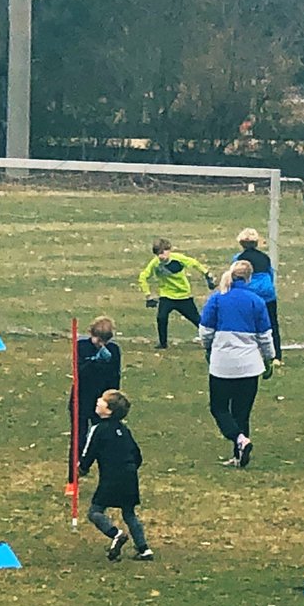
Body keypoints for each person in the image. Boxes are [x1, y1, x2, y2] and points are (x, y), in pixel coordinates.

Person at [198, 260, 274, 468]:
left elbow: (205, 331)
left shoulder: (217, 299)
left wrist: (208, 348)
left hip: (223, 365)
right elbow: (265, 336)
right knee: (242, 412)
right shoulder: (256, 301)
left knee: (219, 407)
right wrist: (269, 358)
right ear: (249, 278)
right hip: (250, 366)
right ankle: (240, 453)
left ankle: (239, 440)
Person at [79, 389, 152, 561]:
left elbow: (89, 453)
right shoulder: (124, 430)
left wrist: (81, 469)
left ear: (109, 410)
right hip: (129, 475)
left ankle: (116, 534)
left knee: (95, 511)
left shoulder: (98, 429)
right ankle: (144, 549)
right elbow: (136, 454)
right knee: (129, 513)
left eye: (102, 400)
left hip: (111, 478)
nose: (98, 400)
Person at [68, 315, 121, 484]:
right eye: (98, 338)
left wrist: (112, 402)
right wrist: (95, 361)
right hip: (81, 400)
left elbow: (114, 378)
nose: (101, 343)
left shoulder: (114, 351)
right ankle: (72, 479)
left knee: (104, 441)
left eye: (105, 340)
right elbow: (79, 372)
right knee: (78, 439)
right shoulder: (81, 346)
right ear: (91, 333)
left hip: (103, 404)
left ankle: (107, 478)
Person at [138, 238, 214, 349]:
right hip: (166, 296)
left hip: (183, 296)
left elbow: (195, 263)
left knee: (196, 320)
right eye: (158, 254)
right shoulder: (155, 264)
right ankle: (162, 343)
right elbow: (143, 277)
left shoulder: (179, 259)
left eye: (163, 252)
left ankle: (211, 337)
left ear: (169, 250)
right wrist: (148, 295)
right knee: (161, 317)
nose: (160, 256)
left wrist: (207, 274)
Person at [232, 228, 281, 364]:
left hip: (250, 294)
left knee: (248, 323)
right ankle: (276, 356)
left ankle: (250, 352)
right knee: (272, 324)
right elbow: (270, 274)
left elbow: (235, 276)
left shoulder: (238, 259)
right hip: (268, 294)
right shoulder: (265, 258)